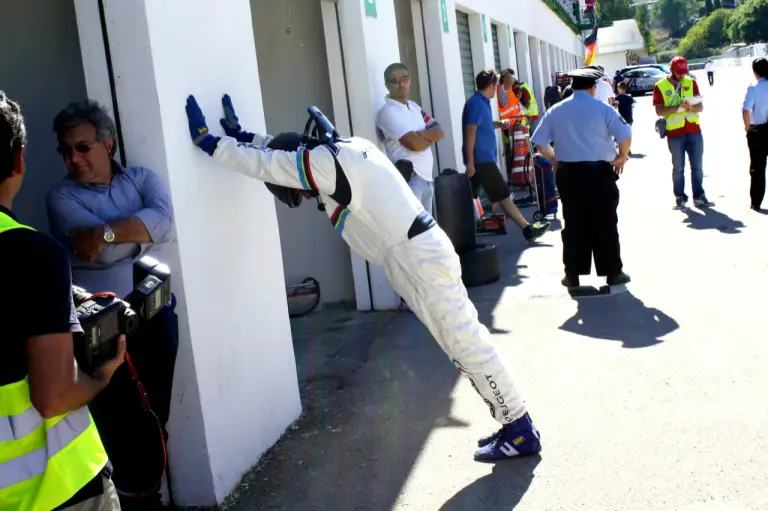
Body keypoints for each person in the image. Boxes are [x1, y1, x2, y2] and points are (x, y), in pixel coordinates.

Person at [184, 94, 543, 462]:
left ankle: (518, 428)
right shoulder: (347, 149)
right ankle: (513, 422)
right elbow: (280, 152)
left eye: (296, 189)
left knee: (466, 345)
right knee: (463, 345)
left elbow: (271, 164)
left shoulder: (325, 166)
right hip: (419, 253)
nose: (303, 194)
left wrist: (213, 144)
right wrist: (244, 135)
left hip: (415, 259)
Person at [46, 100, 177, 510]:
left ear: (108, 145)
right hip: (102, 329)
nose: (74, 158)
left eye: (83, 147)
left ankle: (150, 496)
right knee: (117, 421)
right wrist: (138, 234)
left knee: (156, 413)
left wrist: (103, 233)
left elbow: (166, 223)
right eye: (66, 150)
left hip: (155, 317)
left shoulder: (140, 177)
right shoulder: (60, 197)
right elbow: (102, 257)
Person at [0, 91, 123, 510]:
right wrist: (102, 377)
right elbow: (53, 396)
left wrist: (109, 234)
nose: (74, 158)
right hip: (55, 490)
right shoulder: (32, 253)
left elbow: (152, 225)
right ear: (18, 161)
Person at [531, 67, 632, 288]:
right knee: (605, 222)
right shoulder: (603, 109)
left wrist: (554, 159)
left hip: (569, 174)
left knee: (574, 223)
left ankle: (573, 275)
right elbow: (625, 134)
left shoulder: (556, 110)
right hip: (600, 173)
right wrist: (622, 156)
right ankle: (613, 272)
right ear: (593, 87)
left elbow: (539, 141)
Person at [462, 69, 550, 242]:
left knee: (471, 197)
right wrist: (470, 163)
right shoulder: (476, 103)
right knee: (503, 195)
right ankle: (527, 229)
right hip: (482, 160)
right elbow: (470, 132)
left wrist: (498, 124)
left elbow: (480, 125)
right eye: (496, 85)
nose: (497, 88)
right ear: (490, 86)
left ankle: (467, 231)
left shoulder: (483, 102)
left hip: (484, 159)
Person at [376, 63, 443, 215]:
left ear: (410, 80)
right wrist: (426, 137)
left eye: (404, 78)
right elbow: (415, 145)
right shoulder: (388, 113)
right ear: (387, 85)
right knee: (416, 232)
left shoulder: (414, 107)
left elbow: (439, 131)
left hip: (426, 178)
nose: (401, 84)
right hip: (410, 179)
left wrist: (420, 134)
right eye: (394, 80)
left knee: (427, 232)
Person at [653, 56, 714, 209]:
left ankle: (699, 196)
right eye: (678, 72)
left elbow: (700, 107)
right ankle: (680, 197)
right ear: (671, 69)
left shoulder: (691, 82)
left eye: (683, 72)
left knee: (697, 167)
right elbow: (659, 111)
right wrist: (678, 108)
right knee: (678, 168)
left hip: (693, 130)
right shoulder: (660, 85)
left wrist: (690, 107)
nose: (681, 75)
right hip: (675, 133)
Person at [742, 57, 768, 211]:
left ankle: (756, 202)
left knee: (757, 169)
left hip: (758, 132)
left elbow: (745, 109)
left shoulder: (753, 88)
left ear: (755, 72)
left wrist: (747, 127)